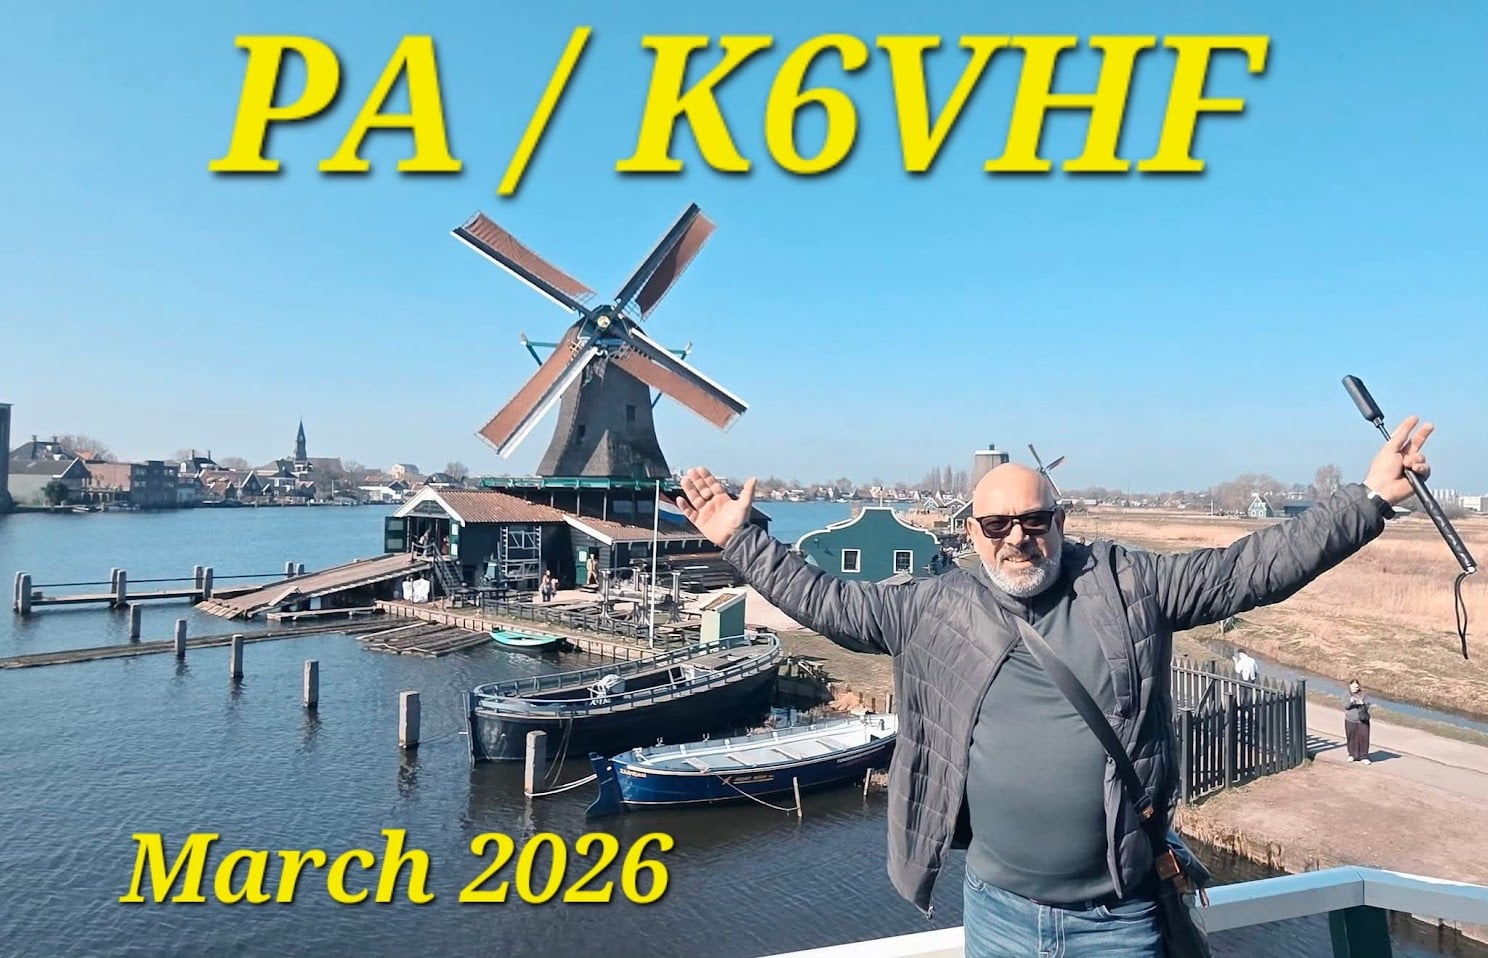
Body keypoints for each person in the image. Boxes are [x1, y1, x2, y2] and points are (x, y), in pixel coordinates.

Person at [672, 416, 1434, 957]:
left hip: (1118, 920)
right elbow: (828, 603)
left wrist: (1367, 501)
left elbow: (1252, 569)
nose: (1018, 538)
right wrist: (740, 538)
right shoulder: (935, 608)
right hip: (997, 913)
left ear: (1060, 521)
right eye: (997, 525)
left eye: (1034, 521)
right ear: (972, 534)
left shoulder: (1129, 585)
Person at [1344, 679, 1372, 764]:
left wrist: (1362, 703)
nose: (1355, 688)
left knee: (1364, 738)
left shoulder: (1364, 695)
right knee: (1351, 737)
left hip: (1362, 720)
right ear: (1350, 686)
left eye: (1356, 687)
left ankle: (1364, 756)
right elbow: (1346, 706)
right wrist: (1351, 702)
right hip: (1350, 720)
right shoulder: (1347, 694)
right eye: (1353, 687)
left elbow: (1368, 705)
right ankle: (1352, 755)